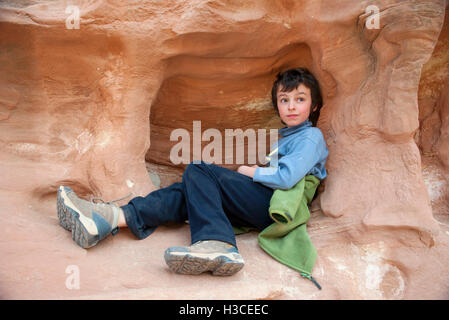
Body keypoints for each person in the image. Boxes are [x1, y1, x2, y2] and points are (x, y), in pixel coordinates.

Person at [57, 67, 329, 276]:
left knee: (200, 170)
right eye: (284, 100)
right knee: (188, 190)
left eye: (300, 99)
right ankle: (112, 218)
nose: (291, 106)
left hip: (276, 210)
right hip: (263, 205)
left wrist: (251, 170)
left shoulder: (310, 136)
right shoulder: (286, 138)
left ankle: (217, 242)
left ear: (314, 106)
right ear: (278, 106)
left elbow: (287, 178)